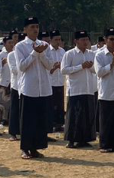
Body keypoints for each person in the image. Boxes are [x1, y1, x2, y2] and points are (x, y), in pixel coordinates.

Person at [15, 17, 55, 158]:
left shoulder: (45, 45)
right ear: (25, 30)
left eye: (37, 26)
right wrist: (34, 53)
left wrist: (41, 53)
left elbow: (50, 65)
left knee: (39, 121)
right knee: (28, 121)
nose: (35, 29)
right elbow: (22, 66)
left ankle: (36, 148)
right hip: (29, 88)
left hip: (43, 88)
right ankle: (25, 148)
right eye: (32, 27)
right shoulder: (20, 46)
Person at [61, 31, 98, 148]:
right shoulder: (69, 54)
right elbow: (64, 70)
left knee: (87, 115)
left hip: (88, 89)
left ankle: (85, 139)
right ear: (76, 41)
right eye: (82, 40)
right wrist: (81, 66)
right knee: (74, 116)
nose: (85, 42)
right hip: (75, 89)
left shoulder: (91, 54)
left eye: (86, 39)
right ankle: (71, 140)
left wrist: (90, 67)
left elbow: (96, 70)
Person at [46, 31, 66, 133]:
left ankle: (59, 124)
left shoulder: (62, 51)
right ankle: (52, 123)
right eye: (56, 40)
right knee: (51, 104)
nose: (58, 42)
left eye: (59, 39)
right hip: (51, 82)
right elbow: (46, 69)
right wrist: (54, 67)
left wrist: (61, 66)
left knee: (60, 104)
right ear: (51, 40)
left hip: (60, 81)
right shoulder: (47, 51)